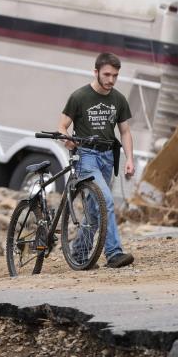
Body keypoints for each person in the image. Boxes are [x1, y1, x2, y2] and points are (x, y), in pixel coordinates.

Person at [58, 52, 135, 268]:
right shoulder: (80, 97)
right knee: (106, 200)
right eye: (107, 74)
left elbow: (125, 132)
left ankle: (80, 255)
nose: (111, 80)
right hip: (86, 156)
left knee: (94, 211)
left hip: (108, 157)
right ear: (96, 72)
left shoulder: (118, 99)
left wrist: (129, 159)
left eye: (115, 76)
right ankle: (114, 254)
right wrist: (67, 139)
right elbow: (62, 125)